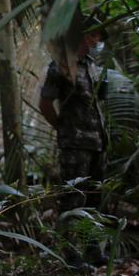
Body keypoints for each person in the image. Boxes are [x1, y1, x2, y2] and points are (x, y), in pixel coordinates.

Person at [38, 14, 109, 213]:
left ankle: (90, 245)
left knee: (95, 206)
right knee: (73, 202)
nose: (96, 41)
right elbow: (45, 104)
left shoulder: (92, 66)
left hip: (98, 145)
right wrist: (65, 129)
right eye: (92, 35)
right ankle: (68, 243)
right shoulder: (61, 65)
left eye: (98, 37)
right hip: (75, 147)